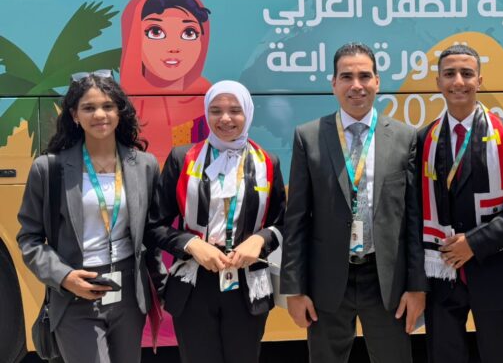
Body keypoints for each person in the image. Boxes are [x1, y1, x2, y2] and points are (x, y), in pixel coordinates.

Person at [281, 42, 426, 363]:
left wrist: (417, 287)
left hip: (386, 281)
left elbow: (414, 218)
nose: (356, 85)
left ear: (377, 82)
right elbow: (297, 219)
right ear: (334, 83)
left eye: (364, 76)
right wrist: (295, 289)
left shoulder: (405, 137)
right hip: (327, 281)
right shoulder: (309, 136)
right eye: (347, 77)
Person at [17, 71, 161, 363]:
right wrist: (64, 276)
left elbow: (152, 232)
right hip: (75, 293)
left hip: (128, 294)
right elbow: (29, 239)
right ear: (74, 115)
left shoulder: (144, 165)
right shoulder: (49, 168)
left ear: (119, 112)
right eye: (89, 108)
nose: (100, 115)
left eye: (108, 106)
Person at [419, 44, 503, 363]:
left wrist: (474, 243)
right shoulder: (424, 139)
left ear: (480, 80)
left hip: (498, 274)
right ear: (438, 82)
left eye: (467, 73)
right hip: (441, 277)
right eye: (449, 74)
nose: (458, 81)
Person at [145, 80, 285, 363]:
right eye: (216, 110)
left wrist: (259, 241)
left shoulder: (268, 162)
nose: (225, 119)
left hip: (247, 284)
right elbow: (154, 226)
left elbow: (284, 224)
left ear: (248, 113)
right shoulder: (183, 158)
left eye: (235, 110)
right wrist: (191, 244)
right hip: (194, 285)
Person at [119, 0, 212, 160]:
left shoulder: (208, 100)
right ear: (133, 36)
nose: (174, 47)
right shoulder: (118, 104)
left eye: (189, 33)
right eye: (155, 32)